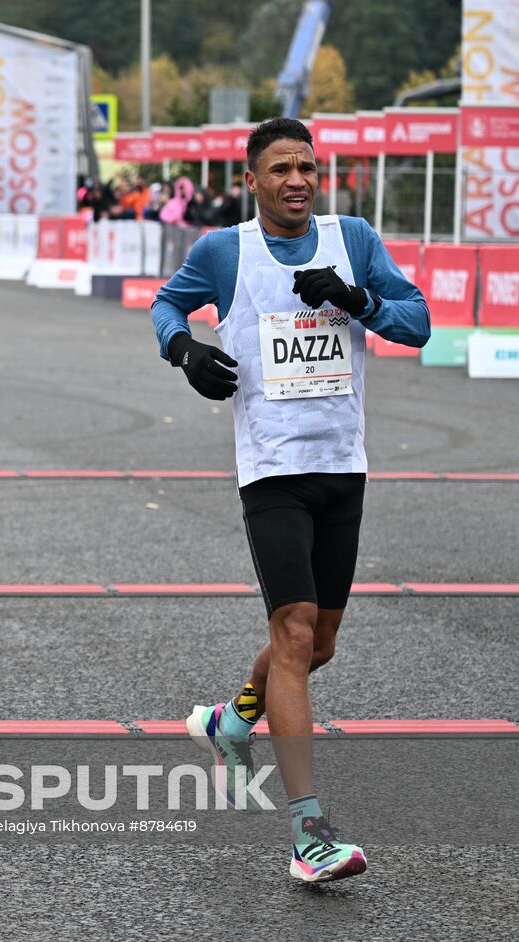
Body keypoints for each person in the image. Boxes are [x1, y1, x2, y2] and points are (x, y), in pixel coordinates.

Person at [150, 117, 430, 883]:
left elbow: (420, 324)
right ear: (251, 180)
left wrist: (357, 298)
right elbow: (165, 307)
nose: (297, 179)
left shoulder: (355, 240)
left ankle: (230, 719)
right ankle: (311, 836)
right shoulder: (223, 251)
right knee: (295, 633)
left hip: (343, 466)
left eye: (307, 166)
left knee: (316, 645)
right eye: (280, 168)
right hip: (271, 469)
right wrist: (184, 351)